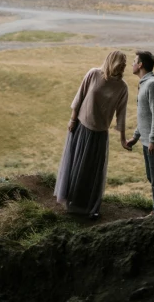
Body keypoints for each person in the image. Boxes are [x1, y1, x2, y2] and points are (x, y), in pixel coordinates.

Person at [54, 50, 130, 219]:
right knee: (76, 166)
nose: (124, 66)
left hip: (100, 134)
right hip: (82, 128)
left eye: (125, 63)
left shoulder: (122, 87)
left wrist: (123, 139)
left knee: (91, 171)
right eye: (121, 62)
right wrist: (72, 120)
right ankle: (71, 202)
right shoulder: (93, 74)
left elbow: (121, 114)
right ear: (112, 61)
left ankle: (87, 206)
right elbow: (79, 97)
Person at [126, 51, 154, 214]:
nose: (131, 64)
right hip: (148, 142)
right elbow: (145, 116)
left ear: (140, 65)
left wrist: (152, 140)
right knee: (153, 180)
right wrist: (136, 137)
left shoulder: (152, 84)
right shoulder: (145, 83)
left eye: (134, 61)